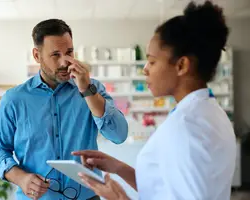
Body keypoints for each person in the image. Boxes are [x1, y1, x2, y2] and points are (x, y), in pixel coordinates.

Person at [73, 1, 236, 200]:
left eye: (152, 61)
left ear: (182, 65)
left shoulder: (187, 125)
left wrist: (120, 199)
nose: (145, 69)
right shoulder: (208, 112)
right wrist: (118, 167)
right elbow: (163, 189)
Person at [0, 19, 128, 200]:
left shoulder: (93, 89)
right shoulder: (14, 99)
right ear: (37, 56)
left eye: (69, 52)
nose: (65, 62)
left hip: (87, 196)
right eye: (55, 55)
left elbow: (119, 135)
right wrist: (20, 177)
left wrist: (87, 91)